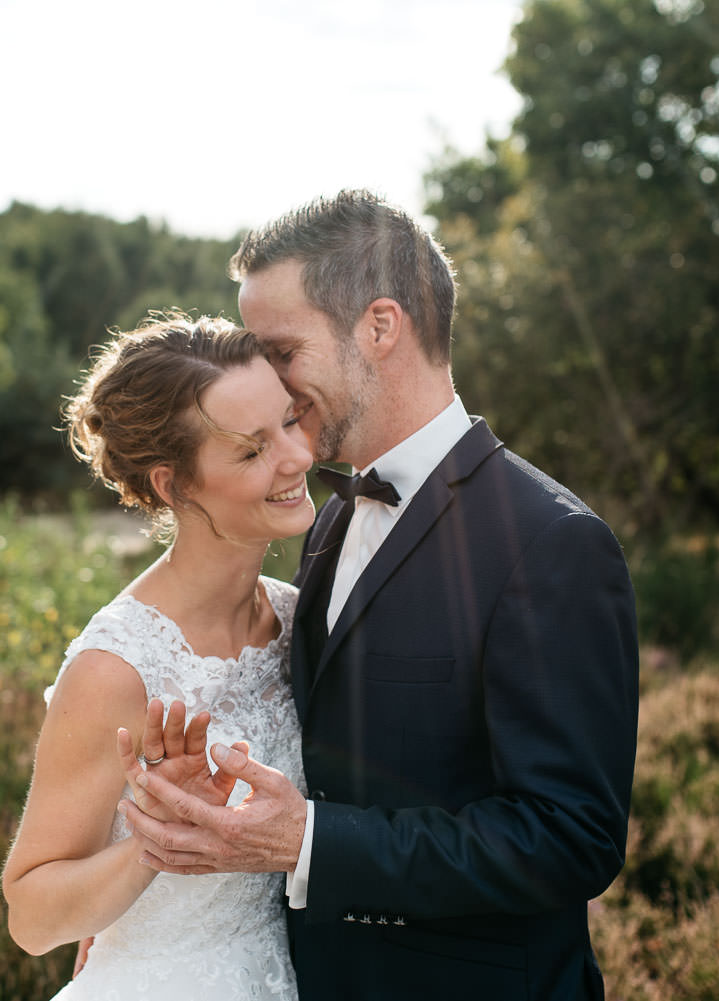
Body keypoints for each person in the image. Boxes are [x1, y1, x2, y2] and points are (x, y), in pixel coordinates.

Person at [118, 191, 640, 1000]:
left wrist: (312, 841)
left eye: (281, 350)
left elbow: (573, 837)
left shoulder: (552, 543)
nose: (269, 386)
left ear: (380, 327)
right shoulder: (326, 524)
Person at [0, 312, 316, 1000]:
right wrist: (158, 840)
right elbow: (30, 913)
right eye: (251, 450)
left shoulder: (299, 620)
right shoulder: (116, 668)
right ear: (175, 485)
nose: (296, 457)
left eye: (290, 422)